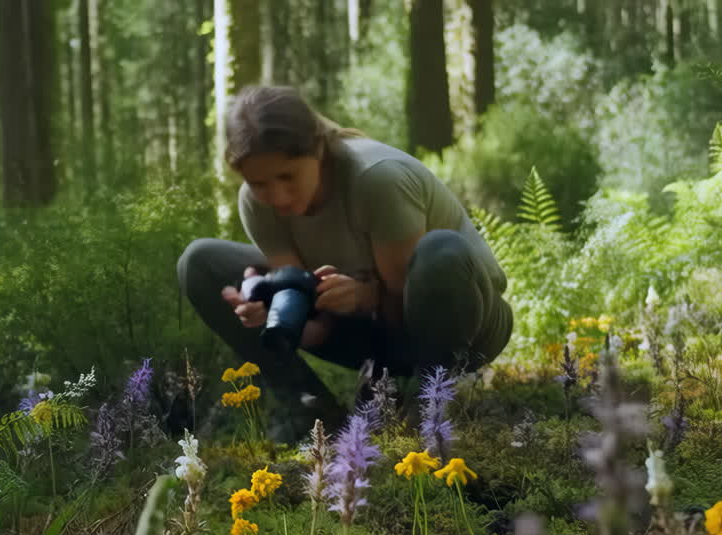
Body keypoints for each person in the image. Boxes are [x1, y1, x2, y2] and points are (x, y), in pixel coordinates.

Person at [177, 85, 512, 440]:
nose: (276, 196)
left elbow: (405, 315)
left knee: (441, 251)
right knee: (200, 262)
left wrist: (365, 296)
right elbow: (318, 324)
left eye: (288, 176)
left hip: (461, 322)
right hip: (366, 333)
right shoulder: (256, 204)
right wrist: (273, 318)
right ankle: (312, 412)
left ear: (318, 150)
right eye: (259, 183)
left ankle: (432, 404)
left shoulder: (378, 179)